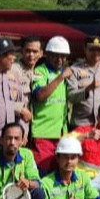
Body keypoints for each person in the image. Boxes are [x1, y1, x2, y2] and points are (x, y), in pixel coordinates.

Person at [30, 35, 72, 172]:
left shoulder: (65, 74)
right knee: (43, 172)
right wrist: (61, 78)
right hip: (43, 133)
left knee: (57, 174)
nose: (60, 60)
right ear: (47, 54)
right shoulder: (40, 72)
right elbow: (40, 96)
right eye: (56, 56)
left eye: (63, 56)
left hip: (60, 133)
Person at [67, 36, 100, 128]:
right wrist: (87, 89)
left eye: (99, 50)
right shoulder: (75, 70)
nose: (96, 53)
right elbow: (70, 96)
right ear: (85, 49)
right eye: (92, 49)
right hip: (80, 124)